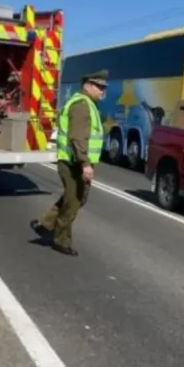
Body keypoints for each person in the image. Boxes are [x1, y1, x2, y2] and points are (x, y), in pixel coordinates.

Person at [30, 69, 108, 256]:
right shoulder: (82, 105)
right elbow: (78, 138)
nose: (102, 91)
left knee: (77, 198)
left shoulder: (86, 103)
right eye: (99, 87)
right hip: (74, 162)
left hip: (75, 161)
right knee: (73, 201)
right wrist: (85, 164)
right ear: (88, 85)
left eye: (104, 87)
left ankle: (46, 223)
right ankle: (61, 241)